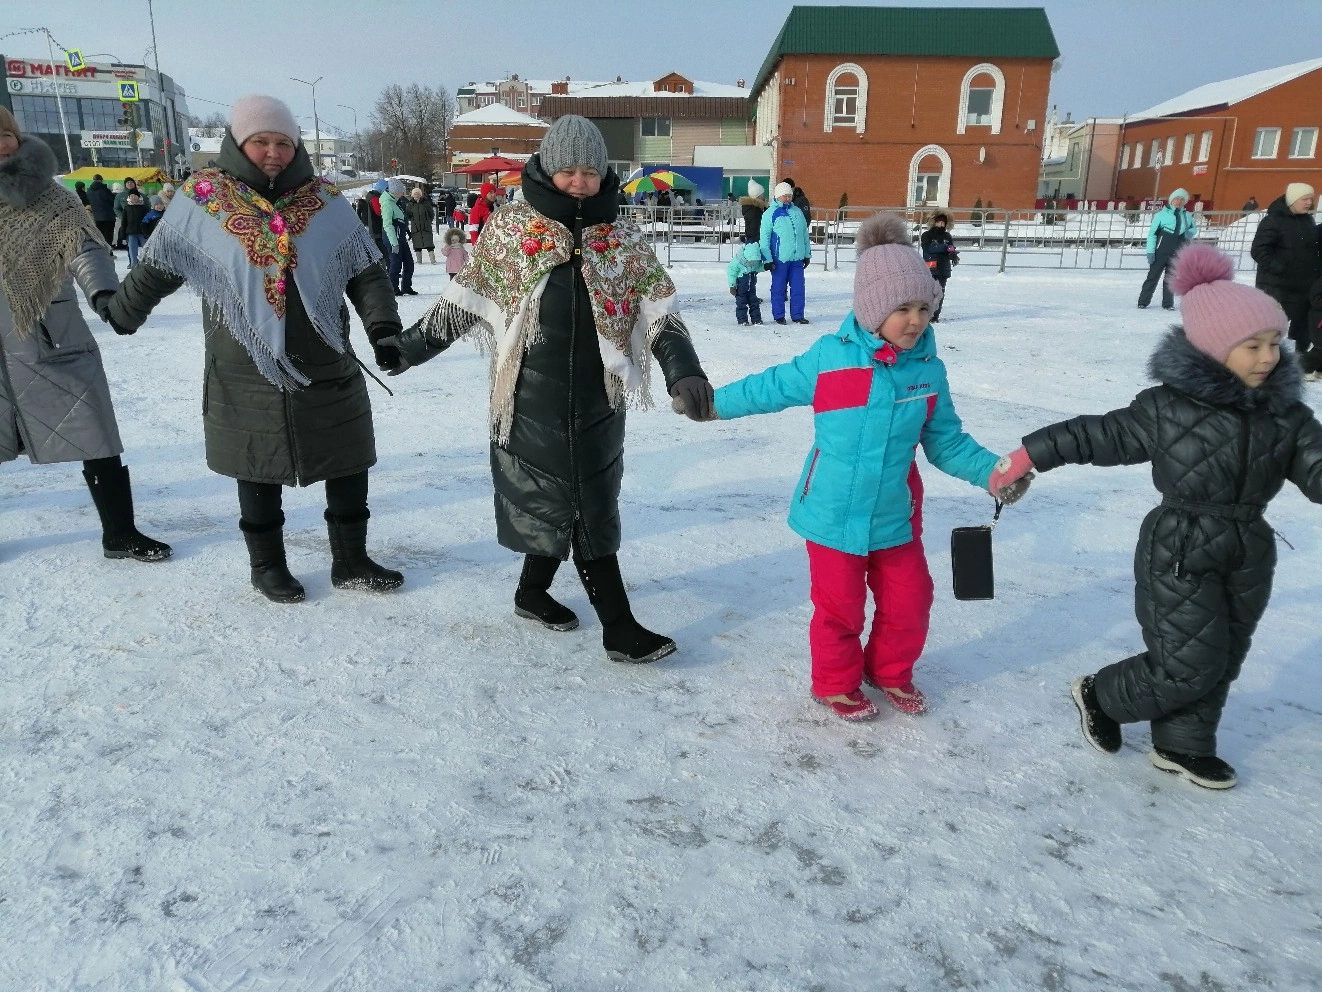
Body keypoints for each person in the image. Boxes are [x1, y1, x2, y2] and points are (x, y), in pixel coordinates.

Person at [382, 115, 714, 664]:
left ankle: (531, 592)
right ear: (547, 169)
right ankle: (619, 627)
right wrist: (409, 346)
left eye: (590, 171)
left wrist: (684, 371)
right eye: (568, 171)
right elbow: (466, 299)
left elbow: (660, 311)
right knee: (569, 503)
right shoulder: (515, 229)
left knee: (585, 501)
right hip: (529, 395)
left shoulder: (624, 237)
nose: (580, 182)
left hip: (600, 395)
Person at [992, 245, 1322, 790]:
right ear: (1214, 350)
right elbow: (1096, 434)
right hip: (1180, 546)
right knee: (1190, 662)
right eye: (1253, 346)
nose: (1269, 357)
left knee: (1224, 656)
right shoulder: (1167, 409)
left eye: (1274, 344)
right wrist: (1029, 456)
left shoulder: (1285, 413)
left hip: (1249, 546)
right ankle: (1102, 694)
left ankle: (1183, 744)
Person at [694, 214, 1028, 721]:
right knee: (839, 608)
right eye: (902, 309)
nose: (915, 320)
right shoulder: (831, 360)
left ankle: (890, 672)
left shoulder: (928, 371)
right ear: (872, 309)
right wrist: (714, 404)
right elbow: (770, 386)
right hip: (830, 514)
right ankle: (835, 682)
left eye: (923, 308)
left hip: (894, 516)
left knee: (911, 600)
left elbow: (947, 443)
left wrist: (993, 472)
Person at [104, 94, 404, 603]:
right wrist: (123, 310)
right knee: (256, 465)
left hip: (325, 356)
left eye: (283, 142)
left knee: (348, 459)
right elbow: (161, 262)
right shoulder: (204, 199)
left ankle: (351, 559)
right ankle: (267, 566)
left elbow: (365, 270)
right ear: (238, 144)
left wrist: (383, 328)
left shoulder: (324, 199)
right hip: (244, 362)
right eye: (260, 141)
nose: (273, 152)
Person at [0, 107, 171, 562]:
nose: (1, 144)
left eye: (6, 134)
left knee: (95, 432)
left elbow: (83, 247)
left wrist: (103, 295)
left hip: (48, 334)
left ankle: (120, 533)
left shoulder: (50, 196)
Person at [1250, 182, 1320, 364]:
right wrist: (1280, 268)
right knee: (1270, 326)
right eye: (1305, 199)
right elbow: (1259, 250)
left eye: (1310, 199)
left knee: (1304, 326)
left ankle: (1301, 361)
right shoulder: (1273, 221)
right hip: (1277, 286)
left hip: (1303, 286)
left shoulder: (1307, 220)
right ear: (1293, 200)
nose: (1309, 203)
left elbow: (1310, 245)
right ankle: (1257, 358)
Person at [760, 181, 811, 324]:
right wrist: (768, 259)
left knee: (798, 288)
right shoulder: (770, 213)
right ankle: (779, 315)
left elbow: (804, 235)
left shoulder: (797, 212)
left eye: (789, 195)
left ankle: (798, 315)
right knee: (778, 288)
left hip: (797, 258)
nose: (788, 198)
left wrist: (807, 254)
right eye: (784, 196)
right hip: (779, 259)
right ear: (777, 196)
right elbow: (764, 238)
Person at [1137, 187, 1197, 310]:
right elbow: (1152, 234)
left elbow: (1193, 229)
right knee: (1152, 277)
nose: (1179, 202)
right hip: (1160, 252)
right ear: (1171, 200)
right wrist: (1150, 251)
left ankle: (1168, 303)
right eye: (1176, 199)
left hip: (1176, 252)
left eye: (1182, 199)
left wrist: (1189, 233)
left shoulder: (1187, 216)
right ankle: (1143, 301)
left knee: (1170, 279)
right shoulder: (1161, 215)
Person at [920, 211, 959, 322]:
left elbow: (951, 247)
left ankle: (935, 315)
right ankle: (926, 314)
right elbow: (929, 249)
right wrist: (945, 248)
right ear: (934, 223)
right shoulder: (927, 235)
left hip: (943, 268)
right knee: (929, 292)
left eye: (943, 223)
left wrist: (953, 254)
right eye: (939, 222)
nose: (941, 225)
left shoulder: (947, 236)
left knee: (940, 292)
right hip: (931, 267)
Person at [380, 177, 416, 295]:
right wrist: (394, 243)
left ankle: (406, 286)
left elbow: (401, 221)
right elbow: (387, 225)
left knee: (409, 263)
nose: (403, 193)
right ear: (395, 191)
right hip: (393, 239)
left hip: (400, 237)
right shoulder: (387, 203)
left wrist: (406, 231)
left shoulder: (395, 202)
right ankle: (393, 289)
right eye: (401, 191)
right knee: (395, 264)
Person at [727, 242, 764, 325]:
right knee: (741, 303)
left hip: (751, 287)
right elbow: (731, 272)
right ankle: (742, 320)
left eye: (755, 261)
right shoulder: (738, 261)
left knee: (754, 302)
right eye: (751, 261)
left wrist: (766, 266)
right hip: (740, 287)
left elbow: (759, 267)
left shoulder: (756, 261)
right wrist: (732, 286)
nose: (753, 264)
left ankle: (756, 319)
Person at [407, 186, 437, 264]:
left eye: (417, 193)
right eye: (415, 193)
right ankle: (419, 261)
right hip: (416, 228)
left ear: (420, 194)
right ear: (412, 195)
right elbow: (408, 215)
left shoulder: (425, 203)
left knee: (429, 244)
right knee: (417, 245)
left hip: (426, 227)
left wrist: (428, 222)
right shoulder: (410, 204)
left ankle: (433, 260)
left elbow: (431, 214)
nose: (416, 195)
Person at [87, 173, 115, 246]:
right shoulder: (104, 189)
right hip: (108, 216)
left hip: (96, 216)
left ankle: (102, 250)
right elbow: (112, 200)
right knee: (108, 235)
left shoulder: (89, 191)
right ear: (101, 180)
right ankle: (108, 251)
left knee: (100, 235)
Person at [122, 191, 146, 268]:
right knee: (132, 251)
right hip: (131, 233)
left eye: (135, 196)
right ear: (129, 198)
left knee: (146, 250)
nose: (133, 197)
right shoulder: (127, 208)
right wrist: (123, 236)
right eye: (131, 196)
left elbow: (147, 220)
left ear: (138, 197)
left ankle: (147, 265)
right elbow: (124, 222)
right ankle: (134, 266)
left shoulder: (143, 207)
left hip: (142, 232)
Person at [740, 179, 767, 244]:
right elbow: (755, 229)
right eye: (762, 194)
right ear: (758, 196)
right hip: (755, 242)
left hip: (753, 240)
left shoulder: (753, 208)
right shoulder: (754, 210)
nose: (763, 196)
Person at [109, 182, 126, 248]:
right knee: (120, 230)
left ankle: (114, 243)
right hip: (120, 215)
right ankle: (120, 243)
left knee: (115, 231)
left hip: (113, 215)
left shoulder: (110, 195)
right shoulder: (121, 196)